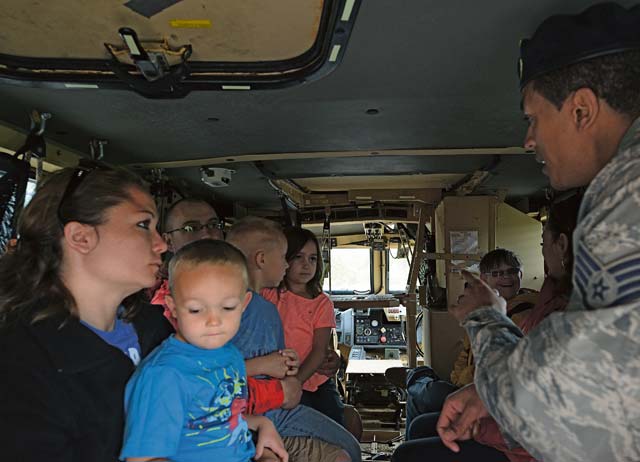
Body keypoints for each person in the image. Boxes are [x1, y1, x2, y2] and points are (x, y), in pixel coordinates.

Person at [437, 4, 640, 461]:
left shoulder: (628, 190)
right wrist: (492, 390)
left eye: (532, 117)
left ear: (582, 109)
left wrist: (487, 318)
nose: (529, 140)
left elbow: (561, 410)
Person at [0, 166, 173, 461]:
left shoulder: (154, 328)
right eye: (144, 225)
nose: (162, 244)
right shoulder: (21, 365)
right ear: (81, 237)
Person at [120, 239, 288, 462]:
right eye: (196, 309)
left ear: (244, 304)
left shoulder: (230, 356)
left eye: (227, 307)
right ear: (173, 308)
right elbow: (144, 459)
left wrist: (262, 424)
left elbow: (218, 419)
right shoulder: (164, 375)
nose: (213, 321)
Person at [227, 217, 358, 462]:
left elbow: (319, 350)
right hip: (267, 408)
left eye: (312, 258)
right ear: (262, 260)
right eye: (288, 257)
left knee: (347, 442)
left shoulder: (310, 304)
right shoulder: (254, 305)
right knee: (348, 450)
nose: (288, 266)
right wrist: (282, 385)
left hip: (288, 396)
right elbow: (216, 371)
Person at [405, 249, 537, 434]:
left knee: (422, 389)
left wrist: (461, 386)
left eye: (512, 271)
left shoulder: (526, 313)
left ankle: (413, 382)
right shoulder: (486, 311)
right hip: (471, 387)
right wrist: (457, 381)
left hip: (486, 396)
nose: (507, 277)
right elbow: (466, 355)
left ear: (520, 274)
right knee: (420, 388)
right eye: (498, 273)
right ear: (483, 279)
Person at [262, 227, 344, 425]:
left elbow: (319, 350)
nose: (306, 265)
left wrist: (296, 382)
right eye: (298, 257)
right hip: (276, 379)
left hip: (314, 381)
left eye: (313, 259)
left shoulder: (321, 303)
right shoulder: (270, 294)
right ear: (284, 259)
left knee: (335, 425)